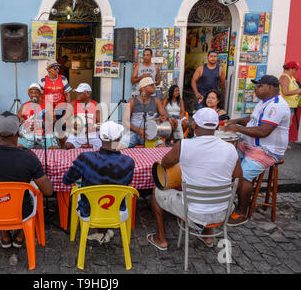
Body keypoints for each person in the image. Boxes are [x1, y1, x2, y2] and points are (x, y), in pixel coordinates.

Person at [147, 108, 242, 250]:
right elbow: (238, 183)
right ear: (216, 126)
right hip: (222, 212)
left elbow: (165, 163)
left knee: (156, 192)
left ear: (194, 125)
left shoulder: (184, 145)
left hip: (193, 213)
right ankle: (208, 236)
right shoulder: (230, 149)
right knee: (210, 186)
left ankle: (161, 239)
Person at [0, 111, 53, 248]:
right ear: (18, 134)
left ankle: (4, 235)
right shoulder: (29, 157)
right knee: (31, 193)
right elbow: (48, 191)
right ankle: (21, 235)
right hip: (22, 211)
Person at [222, 75, 291, 226]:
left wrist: (237, 128)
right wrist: (237, 121)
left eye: (259, 85)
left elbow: (263, 131)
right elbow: (251, 119)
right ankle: (225, 199)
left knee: (242, 176)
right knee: (225, 158)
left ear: (271, 88)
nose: (256, 88)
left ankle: (241, 212)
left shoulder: (277, 106)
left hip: (266, 150)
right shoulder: (263, 102)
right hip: (249, 146)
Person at [62, 121, 135, 244]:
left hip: (88, 210)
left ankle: (102, 232)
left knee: (90, 191)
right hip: (117, 210)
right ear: (119, 137)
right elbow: (125, 183)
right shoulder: (129, 162)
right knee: (109, 192)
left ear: (100, 137)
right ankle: (103, 232)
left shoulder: (85, 158)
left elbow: (66, 180)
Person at [120, 77, 175, 148]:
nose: (154, 87)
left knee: (161, 146)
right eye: (151, 85)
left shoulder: (156, 100)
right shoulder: (131, 101)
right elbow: (125, 121)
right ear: (143, 88)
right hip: (133, 133)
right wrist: (138, 130)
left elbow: (164, 115)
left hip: (150, 133)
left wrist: (163, 118)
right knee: (119, 147)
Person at [17, 83, 59, 149]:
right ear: (29, 94)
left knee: (53, 148)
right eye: (31, 92)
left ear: (40, 93)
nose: (34, 94)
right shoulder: (24, 105)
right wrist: (21, 118)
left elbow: (55, 121)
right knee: (18, 147)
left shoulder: (47, 105)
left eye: (36, 92)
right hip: (28, 134)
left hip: (44, 134)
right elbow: (18, 118)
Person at [64, 83, 102, 150]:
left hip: (92, 134)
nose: (77, 94)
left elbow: (100, 124)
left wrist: (92, 126)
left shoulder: (96, 105)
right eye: (77, 92)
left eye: (80, 92)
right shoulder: (72, 105)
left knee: (101, 147)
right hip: (76, 133)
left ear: (88, 93)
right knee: (68, 146)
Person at [279, 61, 301, 126]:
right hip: (286, 105)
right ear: (291, 68)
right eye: (295, 69)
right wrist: (298, 91)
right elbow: (285, 92)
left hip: (291, 105)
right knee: (284, 126)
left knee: (288, 125)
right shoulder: (285, 77)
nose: (296, 71)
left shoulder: (291, 78)